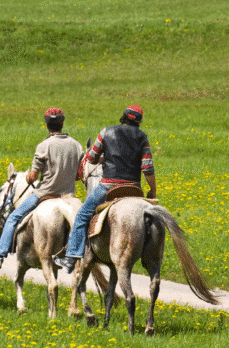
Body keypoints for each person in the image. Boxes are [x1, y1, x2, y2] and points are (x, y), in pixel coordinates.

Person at [54, 104, 157, 273]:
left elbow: (92, 158)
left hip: (109, 186)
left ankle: (71, 258)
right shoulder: (142, 137)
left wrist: (104, 158)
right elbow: (148, 168)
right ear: (138, 122)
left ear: (123, 117)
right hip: (134, 188)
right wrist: (153, 190)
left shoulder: (106, 132)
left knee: (82, 215)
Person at [0, 108, 84, 268]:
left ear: (46, 125)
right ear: (62, 123)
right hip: (69, 197)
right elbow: (80, 175)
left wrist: (27, 178)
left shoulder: (43, 146)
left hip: (44, 194)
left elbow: (33, 177)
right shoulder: (76, 146)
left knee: (13, 218)